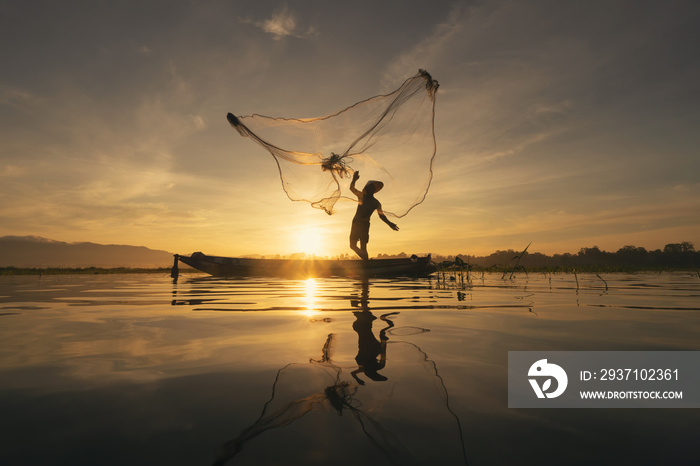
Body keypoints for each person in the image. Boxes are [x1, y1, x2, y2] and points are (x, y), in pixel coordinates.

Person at [349, 171, 399, 261]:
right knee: (352, 246)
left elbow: (381, 216)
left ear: (373, 190)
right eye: (369, 188)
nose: (370, 189)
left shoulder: (376, 203)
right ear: (366, 189)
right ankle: (366, 261)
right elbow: (352, 188)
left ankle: (366, 263)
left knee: (363, 247)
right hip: (356, 222)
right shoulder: (361, 196)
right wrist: (354, 180)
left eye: (372, 188)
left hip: (364, 224)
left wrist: (390, 224)